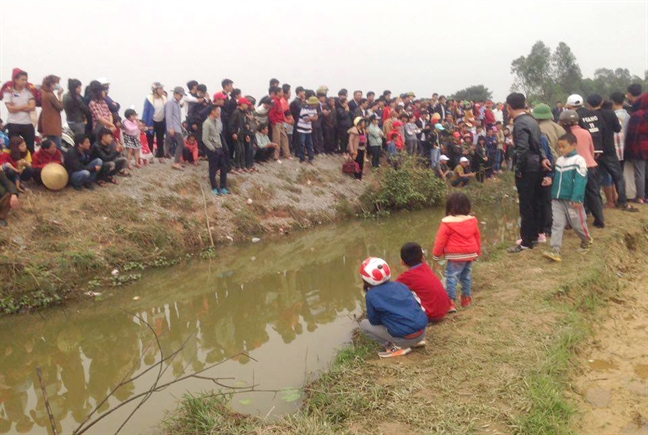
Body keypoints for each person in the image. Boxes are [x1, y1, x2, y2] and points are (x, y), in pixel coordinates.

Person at [506, 92, 550, 253]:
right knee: (536, 202)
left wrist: (518, 169)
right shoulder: (532, 120)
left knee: (526, 205)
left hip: (527, 168)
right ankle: (536, 235)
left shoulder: (519, 123)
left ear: (508, 107)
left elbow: (523, 149)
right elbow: (539, 144)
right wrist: (543, 158)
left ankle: (525, 242)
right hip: (537, 164)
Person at [358, 257, 428, 358]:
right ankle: (416, 342)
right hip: (422, 332)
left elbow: (374, 321)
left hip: (404, 339)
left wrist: (384, 318)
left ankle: (393, 348)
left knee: (364, 325)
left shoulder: (371, 295)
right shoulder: (400, 285)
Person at [542, 133, 592, 263]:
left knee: (577, 224)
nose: (561, 149)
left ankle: (586, 241)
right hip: (557, 198)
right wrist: (550, 180)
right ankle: (555, 250)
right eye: (559, 147)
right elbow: (558, 177)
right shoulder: (559, 160)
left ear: (573, 145)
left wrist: (577, 198)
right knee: (557, 224)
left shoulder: (579, 161)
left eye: (563, 146)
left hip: (572, 200)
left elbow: (581, 180)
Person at [586, 94, 637, 212]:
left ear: (589, 105)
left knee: (596, 179)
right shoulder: (610, 113)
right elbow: (617, 129)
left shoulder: (588, 116)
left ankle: (596, 204)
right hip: (609, 150)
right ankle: (622, 202)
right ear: (602, 101)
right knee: (617, 176)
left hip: (595, 151)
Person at [432, 192, 481, 312]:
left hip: (455, 255)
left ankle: (450, 302)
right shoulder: (472, 221)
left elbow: (440, 240)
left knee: (451, 277)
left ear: (450, 207)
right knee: (466, 276)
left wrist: (436, 254)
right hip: (470, 254)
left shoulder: (447, 222)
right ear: (467, 206)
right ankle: (466, 299)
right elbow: (477, 237)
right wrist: (477, 252)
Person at [559, 110, 605, 228]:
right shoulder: (586, 132)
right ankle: (599, 220)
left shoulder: (564, 136)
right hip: (589, 166)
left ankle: (572, 222)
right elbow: (592, 150)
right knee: (593, 194)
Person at [396, 242, 450, 322]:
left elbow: (391, 291)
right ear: (422, 258)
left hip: (431, 315)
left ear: (402, 262)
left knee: (400, 295)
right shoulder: (426, 267)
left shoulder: (405, 277)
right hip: (444, 310)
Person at [2, 69, 37, 153]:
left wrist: (16, 107)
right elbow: (10, 109)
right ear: (15, 80)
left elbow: (32, 107)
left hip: (27, 123)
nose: (25, 82)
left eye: (26, 79)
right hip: (13, 123)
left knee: (30, 148)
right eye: (22, 79)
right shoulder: (8, 91)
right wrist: (25, 106)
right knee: (14, 148)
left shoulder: (29, 91)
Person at [624, 91, 648, 203]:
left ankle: (640, 197)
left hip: (640, 147)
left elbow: (631, 135)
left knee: (640, 172)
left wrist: (628, 151)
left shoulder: (637, 115)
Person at [202, 105, 229, 195]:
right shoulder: (206, 123)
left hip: (219, 147)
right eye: (217, 111)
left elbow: (218, 135)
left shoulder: (217, 122)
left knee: (224, 167)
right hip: (212, 149)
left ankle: (222, 187)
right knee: (212, 168)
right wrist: (213, 149)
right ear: (212, 111)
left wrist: (220, 147)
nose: (219, 112)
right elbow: (204, 139)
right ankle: (214, 188)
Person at [142, 82, 167, 163]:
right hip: (151, 122)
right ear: (155, 90)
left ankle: (161, 156)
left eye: (162, 89)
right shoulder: (149, 99)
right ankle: (150, 156)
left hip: (161, 121)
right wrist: (144, 123)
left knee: (160, 139)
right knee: (150, 139)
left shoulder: (163, 98)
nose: (162, 90)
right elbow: (146, 111)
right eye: (160, 89)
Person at [38, 75, 65, 150]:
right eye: (55, 84)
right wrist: (60, 95)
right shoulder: (50, 95)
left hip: (48, 126)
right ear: (51, 84)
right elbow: (60, 107)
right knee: (56, 148)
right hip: (53, 127)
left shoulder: (45, 94)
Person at [165, 86, 186, 170]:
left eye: (181, 95)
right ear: (175, 94)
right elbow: (168, 116)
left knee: (170, 142)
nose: (181, 97)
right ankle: (176, 162)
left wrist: (181, 126)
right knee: (181, 143)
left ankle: (176, 160)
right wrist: (170, 128)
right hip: (173, 127)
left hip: (177, 126)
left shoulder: (177, 103)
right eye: (180, 95)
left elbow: (177, 116)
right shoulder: (170, 102)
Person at [296, 96, 319, 164]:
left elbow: (316, 118)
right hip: (301, 129)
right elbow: (306, 119)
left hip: (308, 129)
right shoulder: (304, 109)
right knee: (301, 144)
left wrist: (310, 118)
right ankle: (302, 158)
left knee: (309, 144)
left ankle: (310, 158)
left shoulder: (314, 109)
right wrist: (312, 117)